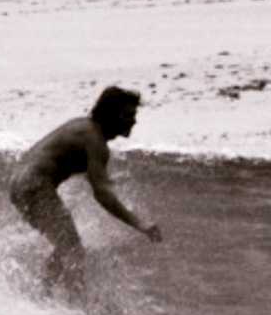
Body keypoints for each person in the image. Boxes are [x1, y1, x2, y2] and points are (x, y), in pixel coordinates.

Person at [10, 86, 162, 300]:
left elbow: (92, 178)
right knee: (74, 250)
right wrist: (139, 224)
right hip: (34, 184)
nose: (134, 121)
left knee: (65, 246)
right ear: (114, 114)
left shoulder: (83, 127)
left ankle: (43, 297)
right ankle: (76, 307)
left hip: (20, 183)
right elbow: (102, 194)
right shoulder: (95, 140)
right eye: (129, 115)